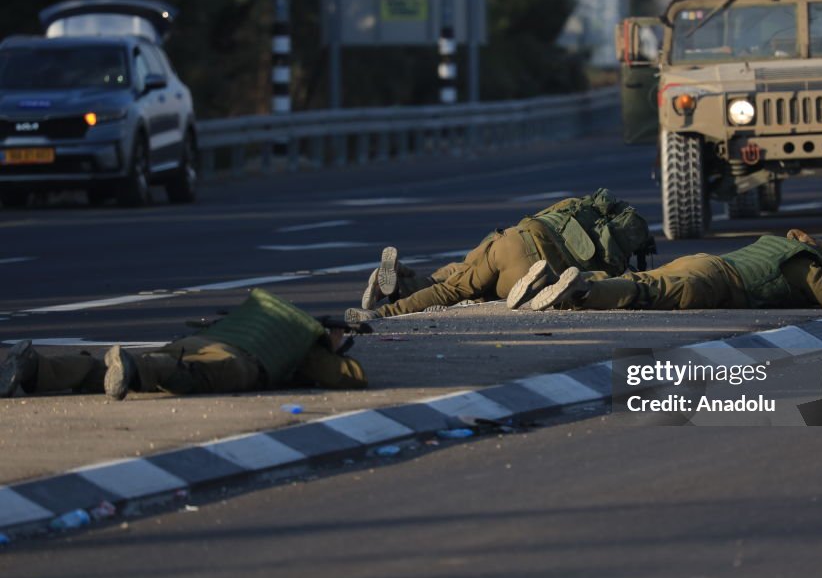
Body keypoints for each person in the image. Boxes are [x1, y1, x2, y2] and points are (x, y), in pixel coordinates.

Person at [1, 288, 368, 401]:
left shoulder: (253, 317)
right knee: (187, 375)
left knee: (107, 372)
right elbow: (349, 377)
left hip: (198, 340)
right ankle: (132, 365)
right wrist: (329, 347)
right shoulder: (302, 343)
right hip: (237, 360)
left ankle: (38, 368)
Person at [348, 189, 656, 321]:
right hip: (534, 273)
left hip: (514, 241)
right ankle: (394, 295)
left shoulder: (580, 206)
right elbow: (598, 284)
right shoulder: (614, 258)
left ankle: (394, 293)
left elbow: (537, 218)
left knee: (458, 281)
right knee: (475, 291)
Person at [519, 229, 822, 312]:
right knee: (646, 292)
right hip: (714, 281)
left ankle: (554, 282)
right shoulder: (805, 265)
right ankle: (583, 291)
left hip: (701, 261)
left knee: (639, 279)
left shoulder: (775, 244)